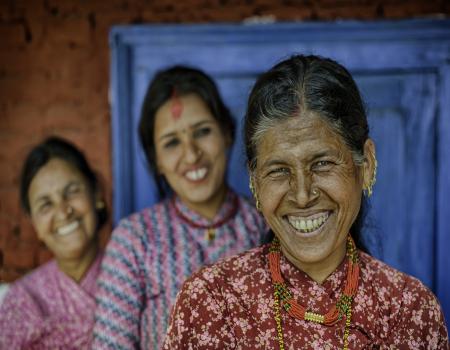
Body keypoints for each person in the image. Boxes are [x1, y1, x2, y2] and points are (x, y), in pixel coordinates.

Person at [163, 55, 449, 349]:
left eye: (323, 163)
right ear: (254, 181)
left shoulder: (409, 311)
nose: (302, 195)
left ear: (367, 164)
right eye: (278, 170)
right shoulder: (212, 303)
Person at [92, 66, 267, 349]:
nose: (191, 153)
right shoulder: (134, 241)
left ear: (227, 133)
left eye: (203, 131)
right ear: (157, 160)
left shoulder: (267, 226)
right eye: (172, 142)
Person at [0, 137, 107, 349]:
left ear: (96, 193)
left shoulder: (129, 276)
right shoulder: (25, 300)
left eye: (72, 192)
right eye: (46, 205)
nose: (63, 212)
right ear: (35, 224)